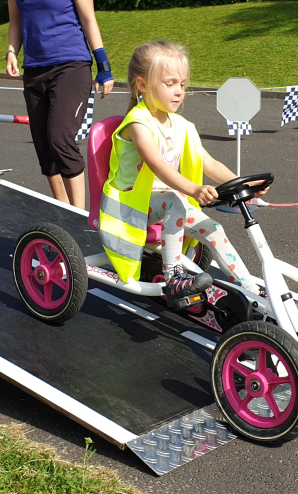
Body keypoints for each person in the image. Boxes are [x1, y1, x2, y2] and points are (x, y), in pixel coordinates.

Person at [100, 41, 268, 301]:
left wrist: (245, 184)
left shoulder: (181, 125)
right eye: (170, 84)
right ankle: (174, 278)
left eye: (183, 84)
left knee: (213, 229)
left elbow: (209, 163)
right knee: (174, 204)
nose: (179, 92)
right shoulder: (137, 123)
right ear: (142, 85)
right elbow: (157, 165)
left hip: (165, 201)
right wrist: (194, 189)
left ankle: (252, 290)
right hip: (130, 204)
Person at [5, 0, 114, 209]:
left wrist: (103, 66)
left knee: (60, 139)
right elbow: (16, 21)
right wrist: (13, 51)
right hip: (34, 69)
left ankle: (80, 216)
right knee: (44, 147)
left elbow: (88, 19)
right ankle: (63, 211)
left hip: (71, 66)